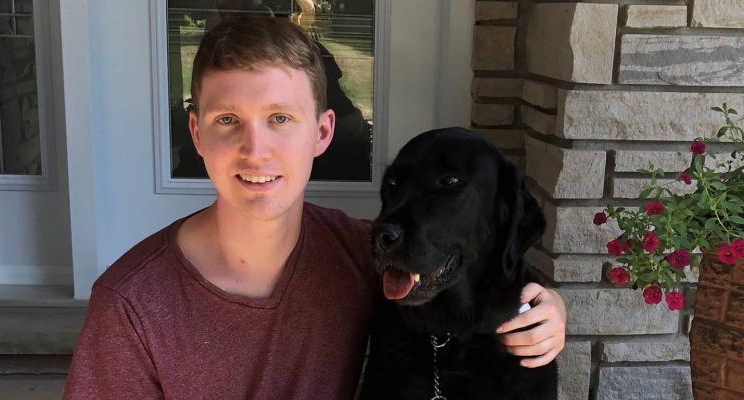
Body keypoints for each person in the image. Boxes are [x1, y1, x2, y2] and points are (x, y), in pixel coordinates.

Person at [63, 15, 566, 400]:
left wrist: (549, 307)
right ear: (196, 133)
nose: (255, 149)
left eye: (279, 118)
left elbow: (465, 267)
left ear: (323, 131)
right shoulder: (131, 307)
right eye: (226, 120)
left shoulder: (357, 253)